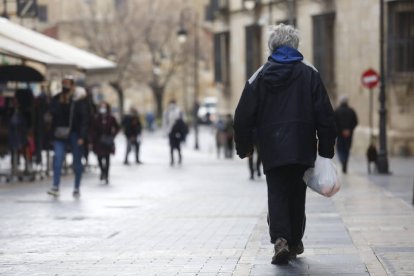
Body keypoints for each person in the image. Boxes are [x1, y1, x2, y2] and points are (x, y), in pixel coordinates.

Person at [234, 24, 337, 265]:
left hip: (272, 148)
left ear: (272, 46)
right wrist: (325, 150)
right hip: (302, 147)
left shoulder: (259, 76)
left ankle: (281, 238)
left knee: (277, 192)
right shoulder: (309, 73)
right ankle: (294, 240)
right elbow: (325, 115)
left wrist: (244, 147)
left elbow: (242, 117)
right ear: (295, 45)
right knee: (296, 193)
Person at [47, 77, 88, 198]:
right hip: (59, 134)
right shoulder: (57, 98)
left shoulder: (79, 99)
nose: (65, 86)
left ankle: (76, 187)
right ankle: (55, 186)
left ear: (73, 85)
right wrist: (60, 103)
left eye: (67, 84)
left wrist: (82, 136)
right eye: (63, 83)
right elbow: (52, 114)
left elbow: (84, 118)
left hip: (75, 133)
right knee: (58, 159)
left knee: (76, 162)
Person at [90, 102, 120, 184]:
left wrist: (112, 136)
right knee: (99, 157)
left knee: (107, 158)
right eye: (101, 106)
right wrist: (92, 140)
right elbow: (92, 130)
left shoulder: (111, 118)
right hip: (98, 141)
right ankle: (102, 171)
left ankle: (106, 174)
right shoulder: (96, 118)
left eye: (104, 107)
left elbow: (117, 127)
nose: (102, 108)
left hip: (107, 141)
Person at [334, 96, 358, 174]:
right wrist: (349, 130)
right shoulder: (351, 111)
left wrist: (341, 131)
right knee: (347, 149)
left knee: (340, 149)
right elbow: (355, 122)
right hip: (349, 134)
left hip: (340, 134)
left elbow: (334, 122)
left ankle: (343, 160)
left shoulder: (337, 111)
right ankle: (345, 162)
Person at [162, 100, 183, 166]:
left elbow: (182, 122)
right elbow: (165, 123)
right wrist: (165, 132)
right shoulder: (167, 112)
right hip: (171, 132)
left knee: (178, 147)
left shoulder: (178, 111)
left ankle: (179, 159)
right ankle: (172, 159)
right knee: (171, 147)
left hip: (177, 131)